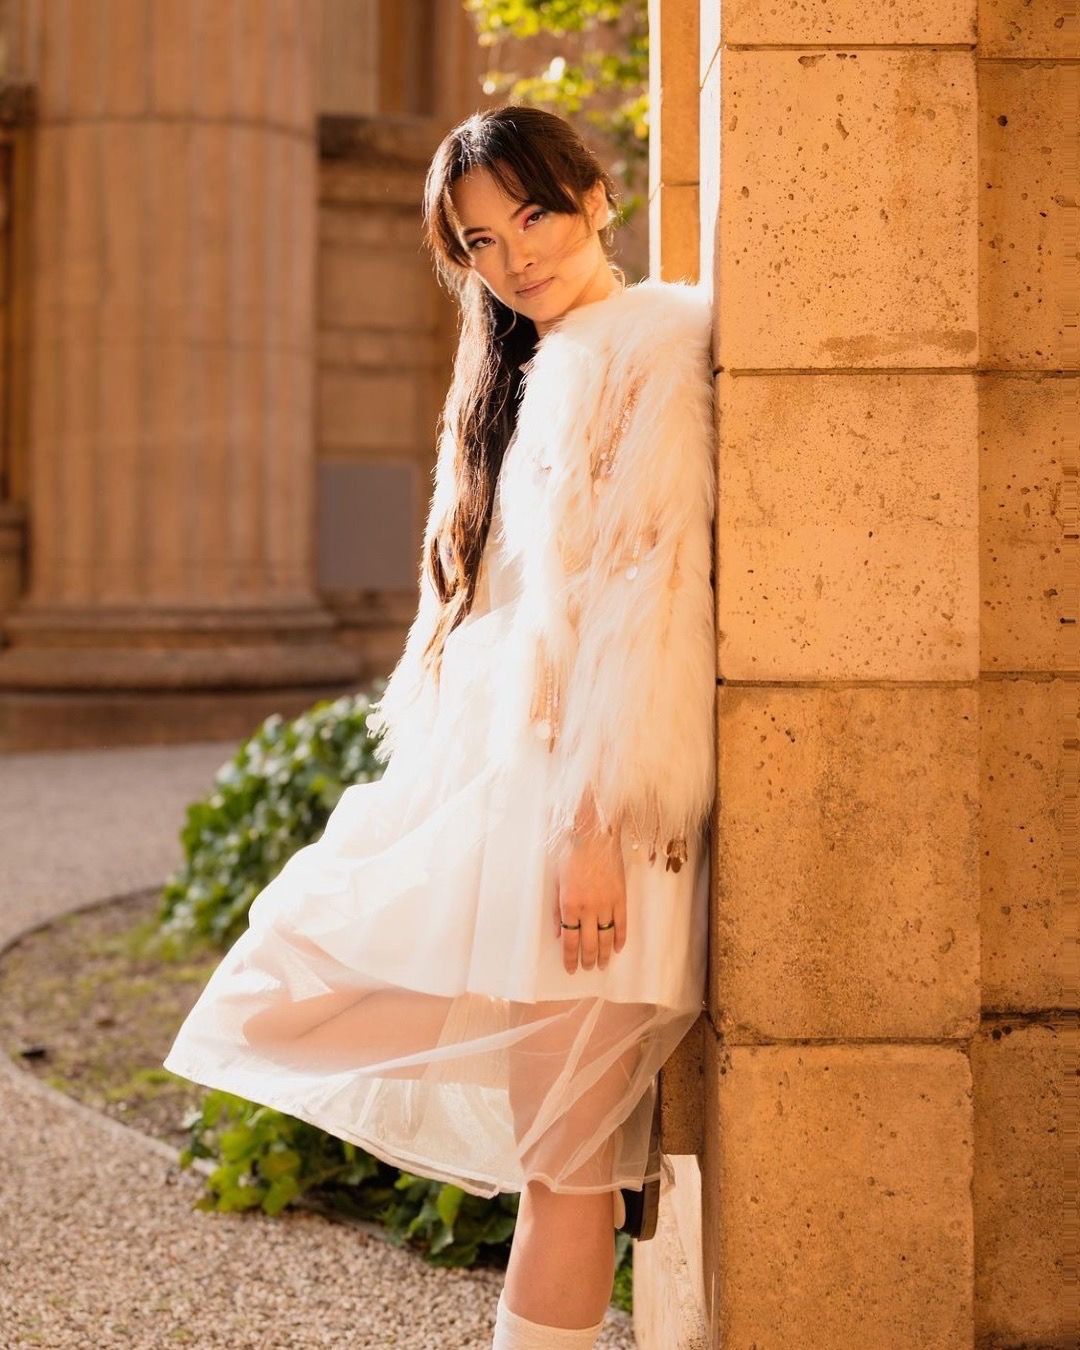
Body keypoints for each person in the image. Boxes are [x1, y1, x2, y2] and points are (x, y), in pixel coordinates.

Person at [163, 104, 716, 1349]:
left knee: (566, 1177)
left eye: (536, 215)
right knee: (293, 995)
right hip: (513, 802)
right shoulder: (530, 372)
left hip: (591, 817)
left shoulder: (644, 348)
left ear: (596, 199)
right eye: (480, 241)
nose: (517, 255)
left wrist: (590, 828)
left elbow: (636, 602)